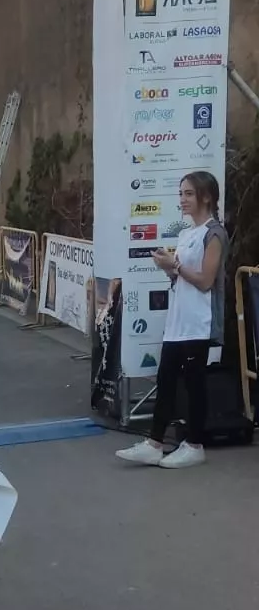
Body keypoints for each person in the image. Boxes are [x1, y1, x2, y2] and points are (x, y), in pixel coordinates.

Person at [116, 172, 228, 470]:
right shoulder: (186, 233)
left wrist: (175, 264)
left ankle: (194, 444)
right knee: (165, 380)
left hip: (199, 322)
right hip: (178, 321)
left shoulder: (214, 233)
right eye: (181, 193)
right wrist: (168, 267)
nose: (182, 199)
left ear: (206, 197)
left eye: (189, 194)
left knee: (194, 384)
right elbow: (180, 277)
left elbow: (206, 280)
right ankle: (154, 444)